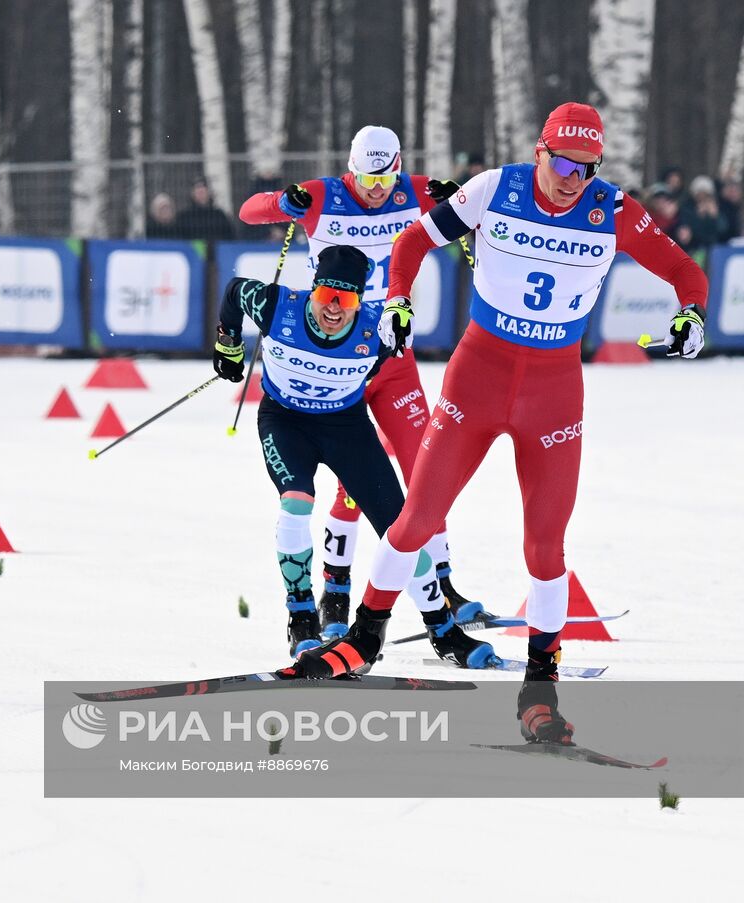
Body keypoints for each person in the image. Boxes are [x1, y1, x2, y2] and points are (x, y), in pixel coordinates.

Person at [286, 102, 708, 745]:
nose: (572, 177)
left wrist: (691, 317)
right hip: (477, 378)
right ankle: (364, 640)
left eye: (586, 166)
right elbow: (412, 241)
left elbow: (685, 271)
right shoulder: (495, 189)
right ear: (540, 151)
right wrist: (397, 300)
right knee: (416, 516)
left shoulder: (613, 210)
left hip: (554, 394)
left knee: (545, 547)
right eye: (562, 161)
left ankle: (540, 692)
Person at [238, 125, 481, 650]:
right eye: (368, 177)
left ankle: (441, 586)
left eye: (386, 175)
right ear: (352, 168)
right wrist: (285, 199)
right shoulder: (325, 194)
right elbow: (250, 211)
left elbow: (480, 213)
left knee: (421, 473)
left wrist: (454, 199)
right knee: (349, 475)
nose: (377, 189)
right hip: (331, 353)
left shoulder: (413, 190)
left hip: (389, 354)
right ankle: (333, 589)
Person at [214, 244, 495, 666]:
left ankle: (442, 629)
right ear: (312, 291)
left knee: (401, 530)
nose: (334, 308)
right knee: (296, 503)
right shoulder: (276, 305)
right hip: (285, 423)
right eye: (326, 295)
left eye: (345, 300)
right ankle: (302, 617)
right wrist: (228, 344)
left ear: (359, 301)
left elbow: (403, 342)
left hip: (347, 427)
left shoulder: (377, 329)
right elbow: (235, 291)